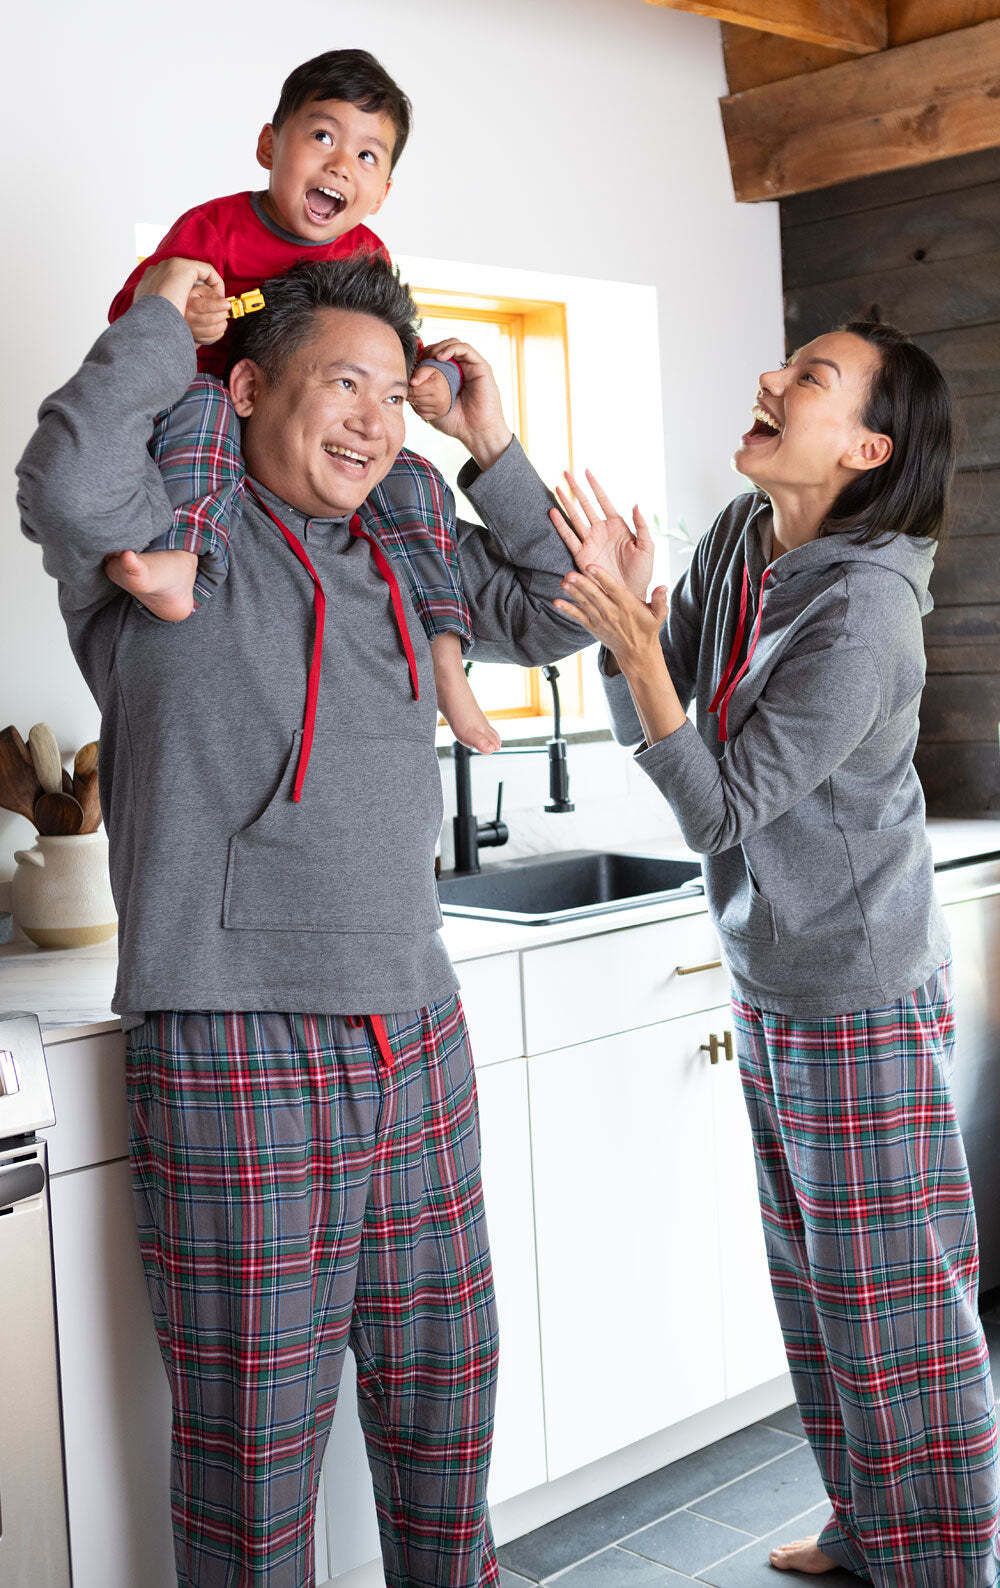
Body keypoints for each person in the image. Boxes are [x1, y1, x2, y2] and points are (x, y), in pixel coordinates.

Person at [17, 252, 587, 1588]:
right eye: (345, 382)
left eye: (396, 395)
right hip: (237, 1040)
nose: (376, 419)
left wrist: (490, 439)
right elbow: (59, 474)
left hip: (418, 1028)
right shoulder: (160, 535)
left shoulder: (409, 550)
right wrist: (166, 317)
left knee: (446, 1425)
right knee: (253, 1457)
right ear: (253, 385)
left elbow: (564, 607)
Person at [541, 323, 999, 1585]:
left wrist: (640, 648)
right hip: (772, 979)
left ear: (866, 448)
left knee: (898, 1309)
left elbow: (717, 804)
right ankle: (868, 1527)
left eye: (808, 377)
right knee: (817, 1289)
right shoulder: (749, 545)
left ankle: (942, 1563)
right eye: (782, 362)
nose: (768, 379)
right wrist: (634, 619)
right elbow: (667, 692)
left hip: (859, 990)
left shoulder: (863, 617)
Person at [107, 46, 500, 754]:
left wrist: (428, 379)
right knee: (205, 413)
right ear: (269, 144)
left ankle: (444, 650)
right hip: (217, 399)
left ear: (381, 192)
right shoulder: (213, 228)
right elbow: (130, 310)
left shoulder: (366, 255)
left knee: (410, 475)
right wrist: (177, 311)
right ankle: (183, 557)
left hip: (305, 428)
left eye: (368, 155)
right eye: (322, 136)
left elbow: (387, 358)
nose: (340, 164)